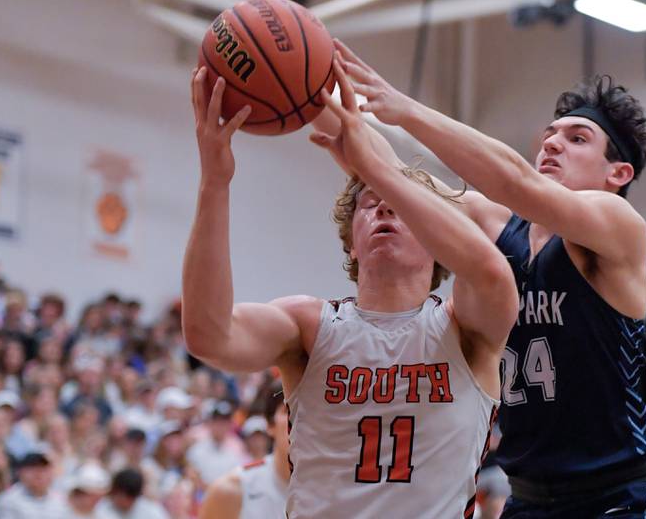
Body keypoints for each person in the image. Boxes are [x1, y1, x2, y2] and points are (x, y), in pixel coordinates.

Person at [331, 39, 646, 516]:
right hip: (528, 496)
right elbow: (390, 178)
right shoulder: (496, 225)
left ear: (618, 172)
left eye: (577, 138)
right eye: (551, 133)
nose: (552, 142)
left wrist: (404, 109)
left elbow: (516, 181)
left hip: (616, 498)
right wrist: (321, 104)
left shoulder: (618, 226)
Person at [181, 55, 517, 517]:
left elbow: (492, 271)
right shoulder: (308, 326)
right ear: (351, 244)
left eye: (402, 206)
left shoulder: (466, 327)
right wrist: (215, 184)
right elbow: (208, 335)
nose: (383, 208)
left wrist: (378, 169)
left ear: (439, 240)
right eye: (369, 204)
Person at [200, 381, 289, 519]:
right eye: (288, 410)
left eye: (311, 411)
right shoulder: (230, 491)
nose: (300, 419)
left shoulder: (333, 490)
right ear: (270, 424)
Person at [0, 451, 66, 519]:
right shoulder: (7, 500)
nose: (38, 474)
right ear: (20, 472)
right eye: (32, 468)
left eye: (43, 469)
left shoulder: (61, 500)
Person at [94, 468, 168, 519]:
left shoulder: (151, 511)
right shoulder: (101, 507)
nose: (119, 499)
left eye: (124, 497)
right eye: (117, 494)